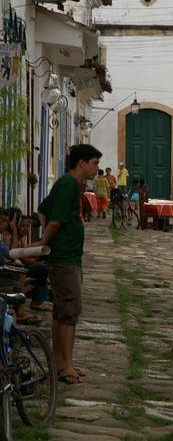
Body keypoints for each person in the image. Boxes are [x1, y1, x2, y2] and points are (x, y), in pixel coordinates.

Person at [31, 143, 102, 385]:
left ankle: (60, 361)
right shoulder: (68, 185)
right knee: (70, 311)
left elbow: (43, 210)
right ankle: (66, 366)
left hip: (69, 256)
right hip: (63, 258)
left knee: (61, 311)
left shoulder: (70, 185)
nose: (97, 168)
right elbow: (54, 220)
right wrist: (44, 244)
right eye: (94, 163)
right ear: (81, 163)